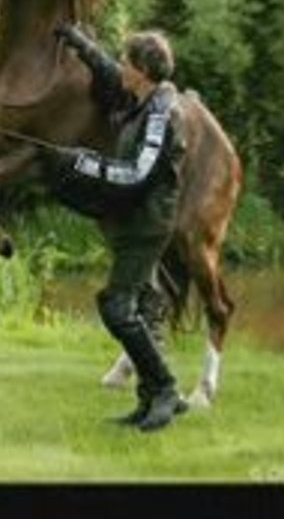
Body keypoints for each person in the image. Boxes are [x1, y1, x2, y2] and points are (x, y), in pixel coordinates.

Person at [46, 24, 189, 432]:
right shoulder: (142, 98)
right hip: (134, 219)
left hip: (147, 225)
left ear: (143, 69)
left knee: (116, 306)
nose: (121, 66)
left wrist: (80, 161)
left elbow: (137, 173)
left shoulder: (162, 112)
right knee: (133, 307)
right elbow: (108, 72)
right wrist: (79, 43)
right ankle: (151, 399)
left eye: (128, 60)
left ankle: (164, 389)